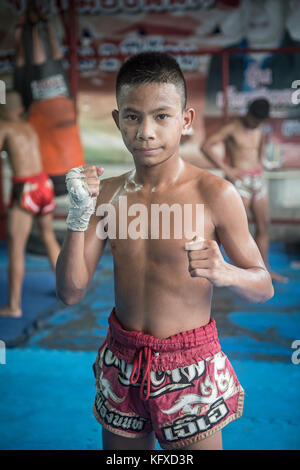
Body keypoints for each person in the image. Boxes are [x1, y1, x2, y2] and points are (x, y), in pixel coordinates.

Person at [56, 52, 274, 450]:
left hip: (190, 364)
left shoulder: (216, 194)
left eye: (161, 116)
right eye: (133, 116)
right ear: (117, 119)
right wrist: (77, 213)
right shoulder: (107, 194)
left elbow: (263, 288)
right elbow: (71, 292)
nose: (145, 132)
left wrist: (228, 273)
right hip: (122, 361)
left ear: (186, 120)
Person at [201, 98, 288, 284]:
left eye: (259, 121)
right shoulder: (233, 126)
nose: (256, 124)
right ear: (247, 113)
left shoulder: (260, 127)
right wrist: (228, 169)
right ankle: (224, 271)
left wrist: (263, 161)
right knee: (234, 230)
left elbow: (261, 145)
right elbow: (206, 146)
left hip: (258, 179)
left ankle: (265, 270)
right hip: (240, 182)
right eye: (254, 120)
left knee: (264, 226)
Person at [0, 91, 60, 318]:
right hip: (44, 184)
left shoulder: (4, 127)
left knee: (16, 247)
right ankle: (65, 290)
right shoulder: (28, 127)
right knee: (48, 236)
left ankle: (14, 306)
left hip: (25, 187)